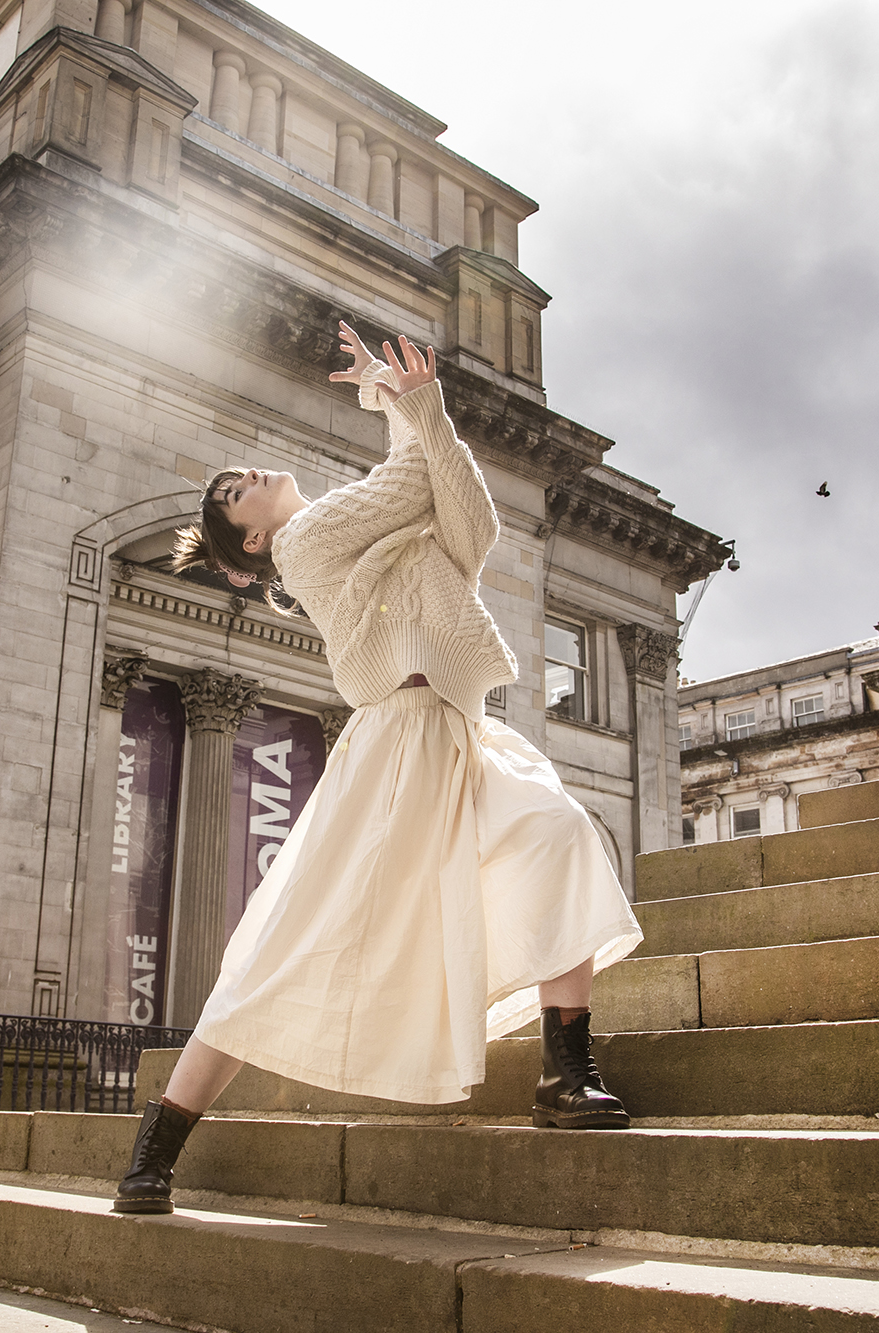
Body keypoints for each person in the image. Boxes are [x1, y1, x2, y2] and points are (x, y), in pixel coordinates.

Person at [113, 323, 643, 1215]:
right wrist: (402, 404)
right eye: (232, 496)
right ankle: (154, 1152)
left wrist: (410, 408)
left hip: (462, 730)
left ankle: (567, 1072)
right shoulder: (307, 542)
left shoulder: (376, 534)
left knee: (558, 835)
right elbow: (411, 483)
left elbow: (471, 521)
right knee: (286, 942)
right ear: (250, 544)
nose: (242, 481)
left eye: (237, 476)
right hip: (395, 742)